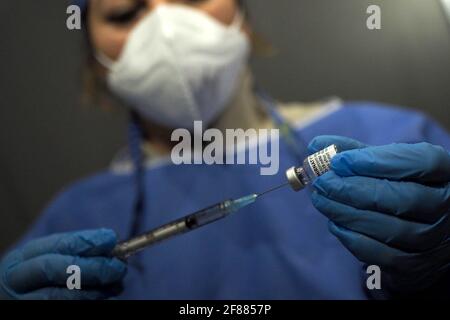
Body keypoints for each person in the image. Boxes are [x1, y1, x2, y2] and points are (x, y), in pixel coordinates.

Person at [1, 0, 449, 300]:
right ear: (94, 65)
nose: (167, 29)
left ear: (243, 16)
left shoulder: (391, 134)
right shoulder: (72, 216)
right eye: (124, 12)